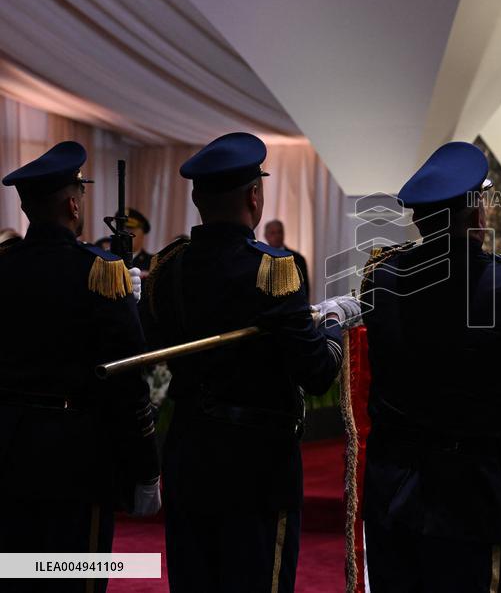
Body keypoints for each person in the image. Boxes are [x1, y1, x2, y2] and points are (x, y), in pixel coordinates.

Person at [141, 132, 359, 593]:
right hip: (256, 465)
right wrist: (332, 324)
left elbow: (152, 343)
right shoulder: (271, 270)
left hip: (190, 456)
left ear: (197, 199)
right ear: (254, 196)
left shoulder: (168, 267)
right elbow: (317, 371)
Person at [361, 142, 501, 592]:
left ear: (420, 219)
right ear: (477, 212)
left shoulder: (381, 280)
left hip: (392, 494)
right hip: (473, 498)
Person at [0, 141, 160, 593]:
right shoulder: (101, 272)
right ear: (73, 204)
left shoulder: (5, 266)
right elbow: (127, 381)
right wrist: (145, 468)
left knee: (17, 575)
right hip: (76, 459)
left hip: (9, 451)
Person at [264, 219, 310, 298]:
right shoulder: (259, 258)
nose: (277, 236)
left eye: (279, 232)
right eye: (273, 233)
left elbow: (305, 289)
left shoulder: (298, 259)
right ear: (266, 236)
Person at [125, 207, 153, 274]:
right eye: (121, 230)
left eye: (130, 230)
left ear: (142, 233)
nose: (125, 234)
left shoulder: (151, 263)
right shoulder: (109, 260)